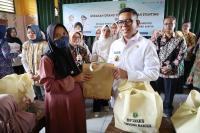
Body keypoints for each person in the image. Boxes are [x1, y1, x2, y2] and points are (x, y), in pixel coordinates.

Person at [39, 23, 91, 133]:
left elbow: (73, 72)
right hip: (61, 105)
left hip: (75, 102)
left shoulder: (67, 51)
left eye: (64, 34)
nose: (62, 37)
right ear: (50, 38)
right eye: (57, 35)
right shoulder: (46, 59)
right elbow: (49, 86)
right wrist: (74, 79)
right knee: (64, 127)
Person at [107, 8, 160, 107]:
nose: (124, 25)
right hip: (117, 96)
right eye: (120, 22)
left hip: (137, 98)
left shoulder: (147, 45)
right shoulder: (115, 44)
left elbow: (154, 73)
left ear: (138, 23)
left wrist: (127, 74)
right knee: (118, 121)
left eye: (128, 21)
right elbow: (110, 68)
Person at [154, 16, 187, 117]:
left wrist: (171, 66)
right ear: (163, 25)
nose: (168, 26)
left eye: (171, 24)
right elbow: (154, 53)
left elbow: (181, 55)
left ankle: (167, 108)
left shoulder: (180, 39)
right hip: (159, 70)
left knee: (169, 92)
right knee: (156, 90)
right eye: (166, 24)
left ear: (175, 25)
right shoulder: (158, 38)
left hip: (172, 71)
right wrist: (159, 66)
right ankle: (155, 107)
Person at [91, 25, 114, 117]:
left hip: (108, 67)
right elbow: (94, 54)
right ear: (101, 31)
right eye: (104, 30)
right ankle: (96, 108)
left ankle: (105, 104)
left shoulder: (113, 42)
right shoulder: (96, 43)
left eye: (108, 31)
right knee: (97, 88)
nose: (105, 32)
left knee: (106, 87)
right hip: (98, 67)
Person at [21, 24, 48, 100]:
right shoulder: (25, 44)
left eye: (33, 32)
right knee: (36, 94)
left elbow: (46, 61)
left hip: (42, 75)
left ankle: (48, 109)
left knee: (45, 95)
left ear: (38, 32)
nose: (31, 34)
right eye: (29, 32)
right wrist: (29, 72)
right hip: (31, 75)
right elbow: (24, 59)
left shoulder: (44, 44)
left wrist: (39, 73)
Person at [177, 21, 197, 89]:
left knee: (185, 73)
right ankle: (178, 86)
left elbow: (194, 45)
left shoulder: (192, 35)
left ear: (190, 27)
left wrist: (185, 50)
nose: (185, 27)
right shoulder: (178, 33)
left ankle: (183, 86)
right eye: (184, 26)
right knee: (178, 73)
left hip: (187, 58)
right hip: (178, 58)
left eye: (187, 26)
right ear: (182, 27)